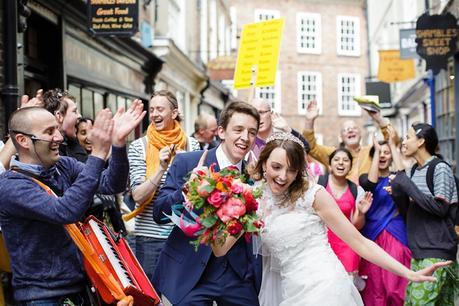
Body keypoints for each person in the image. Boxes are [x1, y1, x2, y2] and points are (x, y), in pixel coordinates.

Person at [213, 132, 449, 306]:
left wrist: (408, 273)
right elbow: (220, 250)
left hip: (325, 286)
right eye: (276, 167)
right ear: (263, 163)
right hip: (286, 290)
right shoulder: (251, 200)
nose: (283, 176)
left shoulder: (312, 195)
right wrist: (210, 207)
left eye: (291, 170)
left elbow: (359, 242)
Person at [0, 102, 144, 305]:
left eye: (57, 129)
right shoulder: (10, 186)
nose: (59, 137)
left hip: (82, 288)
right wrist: (98, 155)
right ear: (23, 141)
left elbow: (112, 184)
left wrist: (118, 145)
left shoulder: (63, 165)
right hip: (43, 298)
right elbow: (65, 211)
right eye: (49, 132)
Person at [152, 101, 262, 306]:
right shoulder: (188, 162)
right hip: (189, 274)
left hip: (237, 276)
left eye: (252, 132)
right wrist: (186, 190)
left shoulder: (254, 176)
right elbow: (159, 214)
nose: (245, 138)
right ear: (221, 131)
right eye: (238, 129)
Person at [128, 90, 200, 284]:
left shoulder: (192, 146)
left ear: (174, 113)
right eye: (152, 110)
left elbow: (201, 190)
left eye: (160, 109)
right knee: (152, 297)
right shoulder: (138, 147)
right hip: (150, 240)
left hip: (185, 235)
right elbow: (137, 196)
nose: (154, 114)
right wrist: (161, 168)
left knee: (186, 296)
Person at [389, 123, 458, 306]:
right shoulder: (412, 170)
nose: (403, 142)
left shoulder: (440, 168)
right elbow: (408, 211)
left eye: (408, 137)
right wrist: (398, 191)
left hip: (437, 252)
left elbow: (440, 208)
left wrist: (406, 185)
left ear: (421, 141)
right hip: (419, 250)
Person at [358, 129, 412, 306]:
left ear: (391, 156)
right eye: (378, 153)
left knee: (395, 287)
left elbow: (403, 174)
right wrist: (377, 150)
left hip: (395, 233)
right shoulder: (365, 178)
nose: (382, 156)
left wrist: (392, 145)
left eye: (386, 153)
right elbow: (371, 184)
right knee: (374, 288)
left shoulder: (397, 179)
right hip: (372, 236)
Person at [303, 100, 396, 183]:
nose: (350, 130)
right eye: (346, 129)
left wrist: (379, 118)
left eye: (354, 128)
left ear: (361, 134)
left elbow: (393, 141)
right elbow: (311, 147)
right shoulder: (334, 154)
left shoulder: (371, 151)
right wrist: (309, 121)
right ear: (341, 137)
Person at [318, 148, 372, 285]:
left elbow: (356, 225)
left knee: (345, 290)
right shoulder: (319, 184)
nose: (341, 163)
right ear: (330, 164)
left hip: (347, 247)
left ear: (350, 166)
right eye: (336, 160)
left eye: (345, 160)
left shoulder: (356, 190)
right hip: (321, 245)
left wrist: (360, 212)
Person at [42, 88, 86, 162]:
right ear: (59, 116)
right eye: (74, 111)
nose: (80, 116)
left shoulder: (70, 144)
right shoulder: (49, 152)